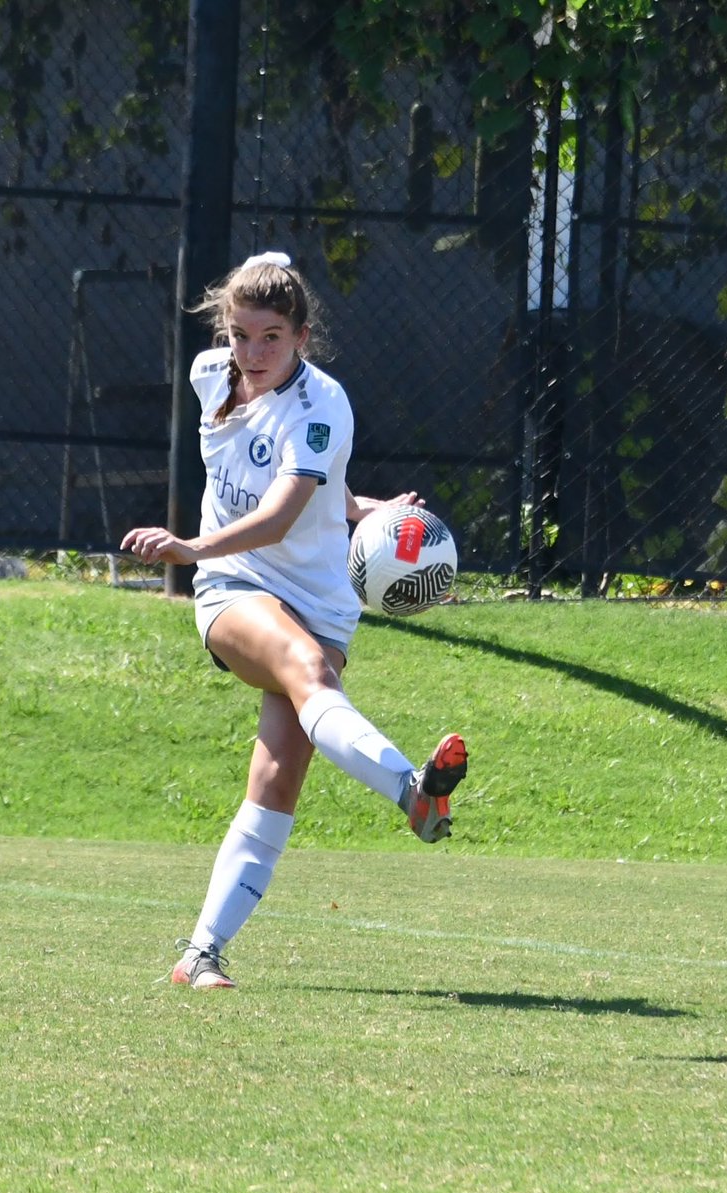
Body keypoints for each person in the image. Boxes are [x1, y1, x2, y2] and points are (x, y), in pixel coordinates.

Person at [122, 251, 467, 989]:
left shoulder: (323, 407)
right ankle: (413, 791)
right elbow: (282, 506)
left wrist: (189, 543)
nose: (252, 354)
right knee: (307, 672)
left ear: (303, 337)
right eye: (241, 334)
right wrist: (201, 555)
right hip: (232, 584)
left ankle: (200, 954)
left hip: (319, 601)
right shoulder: (208, 375)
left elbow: (287, 509)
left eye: (271, 337)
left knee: (276, 779)